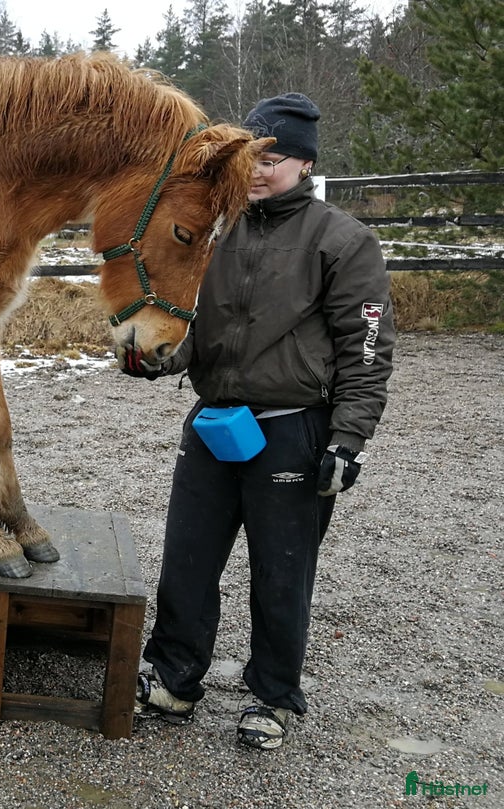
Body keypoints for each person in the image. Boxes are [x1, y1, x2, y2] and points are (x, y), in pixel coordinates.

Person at [122, 92, 395, 750]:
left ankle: (273, 694)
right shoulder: (218, 232)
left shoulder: (343, 240)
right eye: (252, 155)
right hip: (213, 424)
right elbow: (195, 325)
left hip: (291, 430)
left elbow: (367, 350)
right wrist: (161, 358)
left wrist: (348, 440)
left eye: (274, 157)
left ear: (304, 162)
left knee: (281, 571)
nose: (261, 168)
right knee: (186, 562)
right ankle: (174, 678)